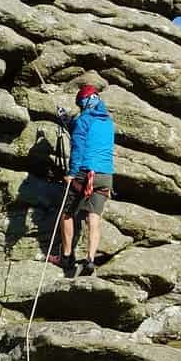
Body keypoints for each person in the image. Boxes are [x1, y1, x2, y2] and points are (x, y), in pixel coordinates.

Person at [50, 83, 115, 277]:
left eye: (80, 104)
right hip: (105, 176)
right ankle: (89, 259)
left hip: (84, 173)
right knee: (93, 217)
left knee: (67, 213)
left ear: (85, 102)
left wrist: (72, 172)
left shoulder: (84, 119)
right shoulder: (108, 122)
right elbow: (85, 132)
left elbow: (78, 146)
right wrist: (68, 121)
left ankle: (67, 257)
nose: (80, 108)